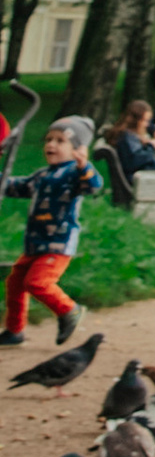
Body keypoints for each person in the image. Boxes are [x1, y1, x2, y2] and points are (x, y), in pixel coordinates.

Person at [0, 121, 106, 344]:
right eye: (49, 139)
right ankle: (14, 330)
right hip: (35, 244)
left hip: (58, 243)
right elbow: (18, 186)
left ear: (77, 149)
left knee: (37, 283)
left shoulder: (74, 174)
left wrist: (84, 166)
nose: (52, 144)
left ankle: (69, 310)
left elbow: (94, 186)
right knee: (15, 282)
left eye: (60, 140)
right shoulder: (42, 175)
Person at [100, 99, 155, 209]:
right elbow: (134, 161)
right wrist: (151, 146)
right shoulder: (126, 137)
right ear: (135, 120)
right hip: (138, 179)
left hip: (144, 175)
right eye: (145, 120)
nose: (147, 125)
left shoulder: (128, 136)